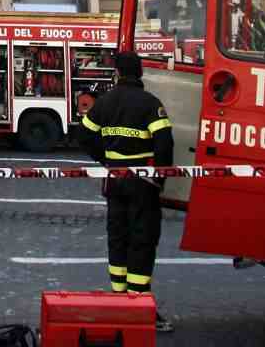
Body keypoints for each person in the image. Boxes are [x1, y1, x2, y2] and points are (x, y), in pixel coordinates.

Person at [77, 51, 175, 334]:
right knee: (142, 240)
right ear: (140, 73)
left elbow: (83, 135)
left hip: (114, 180)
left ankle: (119, 299)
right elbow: (164, 144)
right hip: (143, 183)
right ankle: (140, 304)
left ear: (117, 74)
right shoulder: (150, 104)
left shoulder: (105, 103)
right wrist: (159, 178)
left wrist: (105, 158)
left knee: (117, 237)